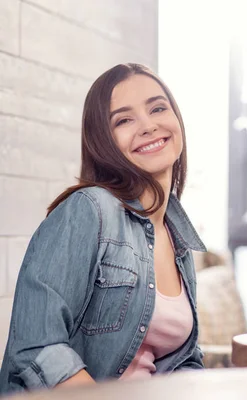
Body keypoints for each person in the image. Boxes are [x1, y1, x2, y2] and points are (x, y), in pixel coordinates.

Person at [0, 63, 206, 394]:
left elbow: (183, 361)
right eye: (124, 120)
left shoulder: (178, 237)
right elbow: (37, 346)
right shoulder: (91, 209)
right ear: (102, 141)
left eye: (157, 108)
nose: (148, 126)